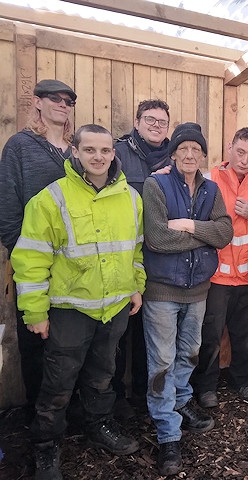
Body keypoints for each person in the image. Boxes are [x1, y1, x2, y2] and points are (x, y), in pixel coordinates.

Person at [11, 124, 144, 479]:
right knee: (57, 383)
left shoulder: (131, 198)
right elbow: (30, 260)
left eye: (104, 151)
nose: (98, 157)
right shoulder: (51, 199)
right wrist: (35, 311)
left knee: (103, 376)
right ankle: (46, 447)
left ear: (113, 154)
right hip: (70, 310)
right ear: (76, 152)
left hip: (114, 309)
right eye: (90, 150)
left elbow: (135, 249)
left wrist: (136, 285)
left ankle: (98, 426)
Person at [142, 122, 233, 475]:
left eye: (196, 149)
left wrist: (191, 226)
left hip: (198, 290)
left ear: (203, 155)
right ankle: (167, 433)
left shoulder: (211, 190)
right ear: (174, 152)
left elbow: (224, 232)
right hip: (163, 290)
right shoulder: (156, 184)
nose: (190, 154)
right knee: (161, 360)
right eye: (184, 149)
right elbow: (157, 239)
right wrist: (203, 236)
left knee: (189, 352)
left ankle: (180, 403)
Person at [0, 79, 76, 418]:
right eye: (55, 99)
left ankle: (68, 415)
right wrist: (24, 256)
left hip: (75, 268)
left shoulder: (77, 152)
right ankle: (39, 419)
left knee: (68, 344)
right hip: (34, 265)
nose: (63, 105)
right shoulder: (20, 146)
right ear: (38, 103)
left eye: (68, 101)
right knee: (35, 341)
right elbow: (7, 205)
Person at [190, 127, 248, 408]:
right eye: (241, 152)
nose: (245, 160)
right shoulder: (207, 179)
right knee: (209, 336)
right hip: (216, 276)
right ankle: (206, 387)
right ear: (229, 146)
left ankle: (243, 382)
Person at [112, 99, 173, 418]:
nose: (155, 126)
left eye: (162, 122)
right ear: (136, 122)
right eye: (149, 119)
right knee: (121, 331)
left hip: (160, 259)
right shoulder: (118, 154)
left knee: (152, 333)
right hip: (125, 257)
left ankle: (143, 392)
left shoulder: (175, 157)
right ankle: (117, 397)